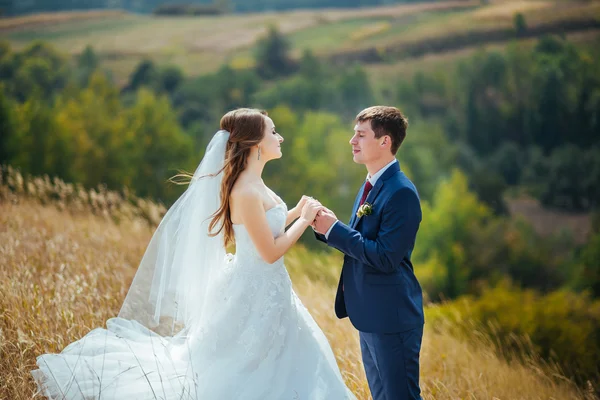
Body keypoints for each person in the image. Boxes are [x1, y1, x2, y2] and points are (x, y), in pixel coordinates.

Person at [32, 108, 356, 399]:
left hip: (268, 290)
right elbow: (270, 252)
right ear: (256, 143)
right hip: (256, 291)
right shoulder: (244, 189)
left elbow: (260, 229)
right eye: (273, 132)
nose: (280, 137)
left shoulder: (255, 183)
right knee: (249, 368)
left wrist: (296, 211)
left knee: (284, 361)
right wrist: (302, 220)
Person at [312, 106, 424, 400]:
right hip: (371, 314)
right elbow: (361, 241)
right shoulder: (371, 184)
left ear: (385, 142)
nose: (352, 140)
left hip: (392, 317)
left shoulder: (401, 192)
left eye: (361, 135)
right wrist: (326, 228)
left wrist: (334, 228)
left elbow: (386, 257)